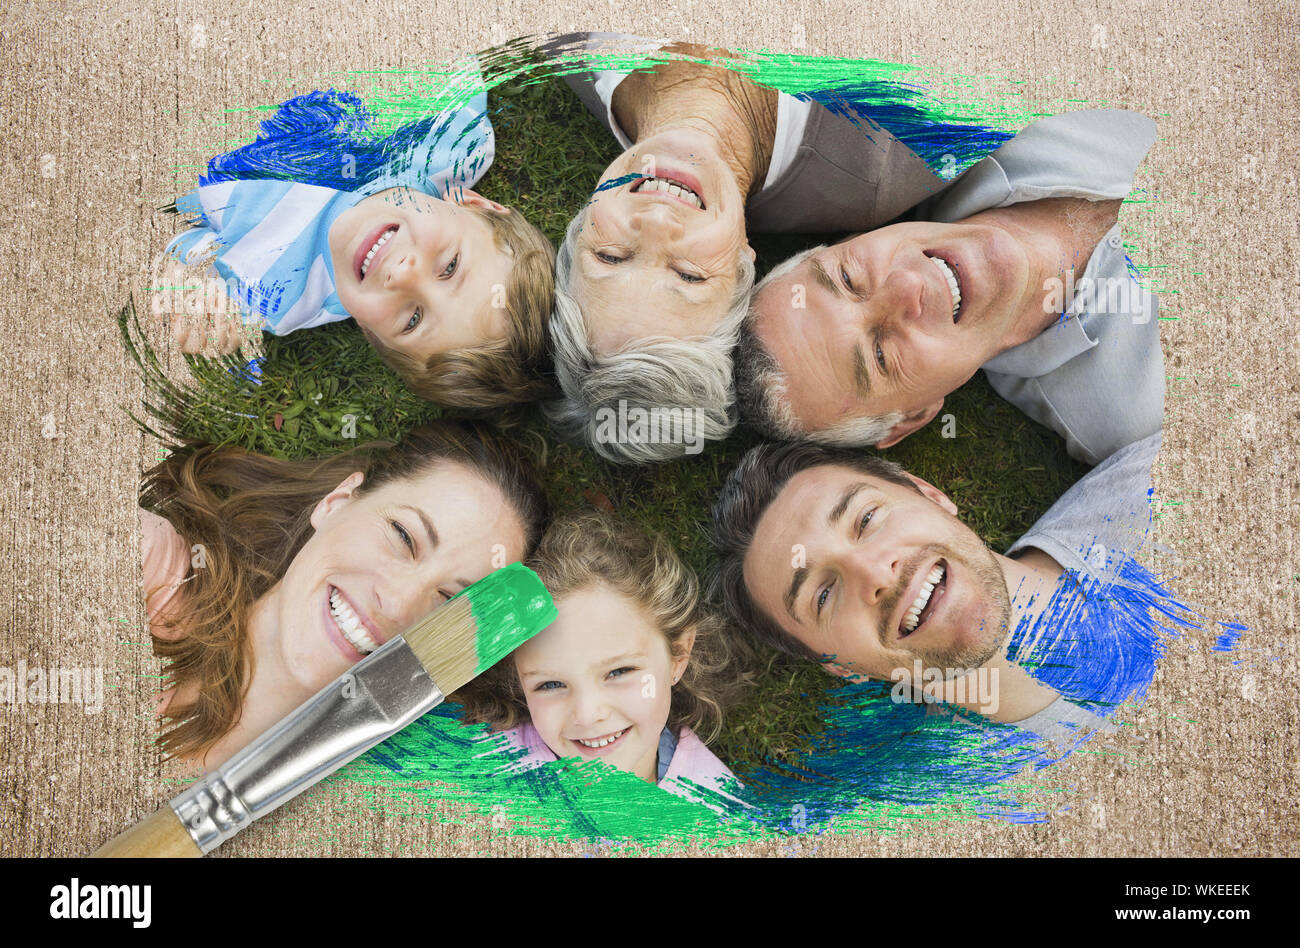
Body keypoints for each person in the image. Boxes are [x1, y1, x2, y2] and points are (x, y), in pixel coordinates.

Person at [541, 32, 946, 461]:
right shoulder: (893, 152)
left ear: (581, 225)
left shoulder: (565, 39)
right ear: (741, 265)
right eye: (687, 275)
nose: (657, 221)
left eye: (610, 256)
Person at [739, 109, 1162, 466]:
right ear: (914, 416)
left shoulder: (960, 105)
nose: (907, 286)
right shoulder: (1137, 407)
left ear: (850, 239)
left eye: (849, 278)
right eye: (881, 356)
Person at [138, 420, 549, 771]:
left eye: (447, 599)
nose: (399, 604)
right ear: (335, 503)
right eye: (404, 537)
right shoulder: (144, 568)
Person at [710, 430, 1170, 739]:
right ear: (838, 666)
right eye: (823, 595)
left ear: (929, 493)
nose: (875, 573)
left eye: (867, 518)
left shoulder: (1164, 485)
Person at [159, 87, 555, 409]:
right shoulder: (453, 135)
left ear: (370, 332)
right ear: (474, 204)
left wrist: (192, 285)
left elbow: (175, 236)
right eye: (450, 267)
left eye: (413, 319)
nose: (404, 275)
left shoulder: (273, 295)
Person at [455, 512, 747, 808]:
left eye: (619, 671)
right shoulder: (477, 763)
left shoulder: (723, 814)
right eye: (550, 684)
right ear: (518, 679)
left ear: (679, 655)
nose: (587, 714)